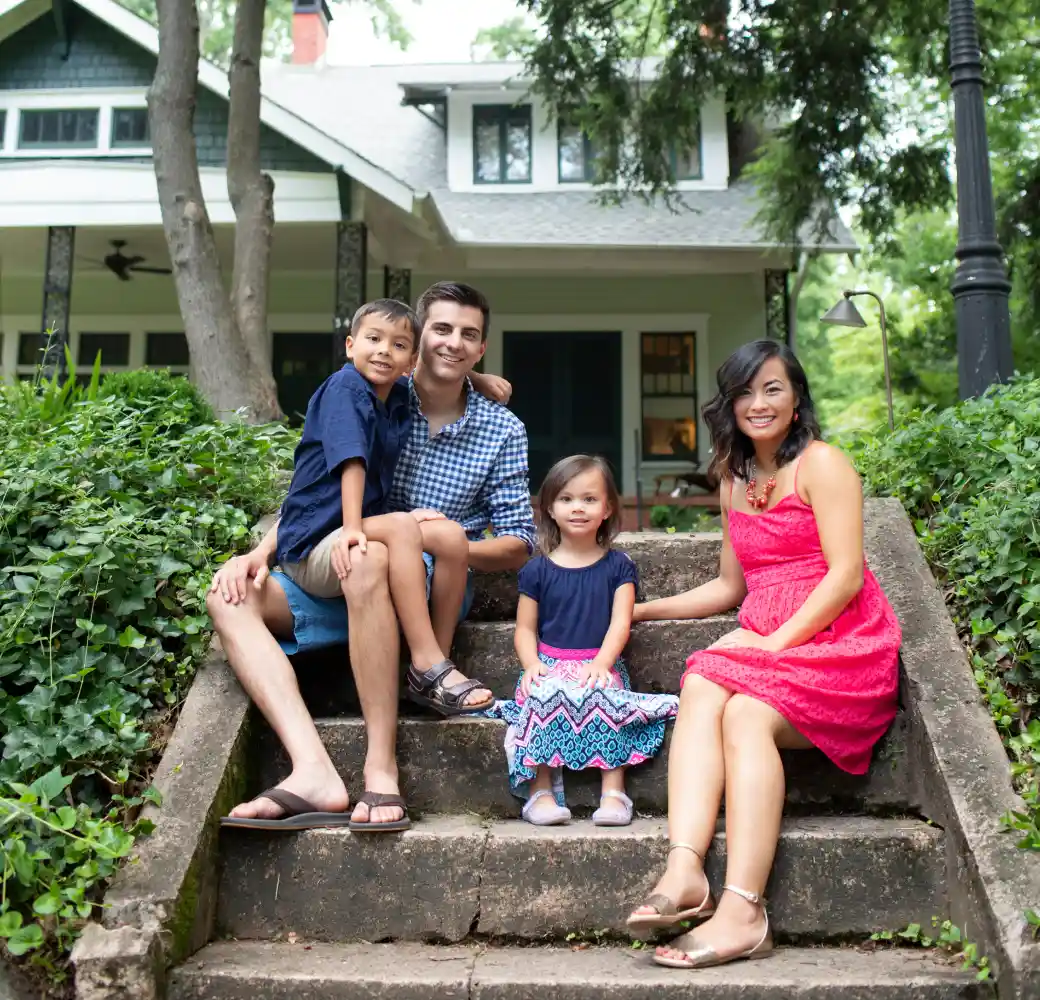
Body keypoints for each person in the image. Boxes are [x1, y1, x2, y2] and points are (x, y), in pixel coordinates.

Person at [208, 281, 535, 832]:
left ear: (481, 348)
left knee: (372, 557)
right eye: (441, 330)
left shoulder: (500, 429)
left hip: (418, 581)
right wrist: (261, 550)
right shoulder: (377, 390)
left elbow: (520, 542)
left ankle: (381, 768)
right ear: (418, 342)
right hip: (341, 556)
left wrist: (443, 537)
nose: (453, 343)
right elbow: (323, 485)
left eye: (469, 336)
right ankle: (313, 771)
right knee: (229, 597)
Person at [626, 340, 900, 969]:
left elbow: (847, 576)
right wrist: (641, 610)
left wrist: (776, 642)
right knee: (700, 682)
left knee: (746, 714)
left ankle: (745, 911)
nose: (759, 403)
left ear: (797, 398)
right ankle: (686, 870)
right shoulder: (734, 477)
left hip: (841, 641)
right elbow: (730, 587)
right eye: (745, 391)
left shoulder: (823, 465)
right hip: (770, 638)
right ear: (730, 404)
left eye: (773, 388)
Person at [487, 455, 679, 826]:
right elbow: (525, 629)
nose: (578, 507)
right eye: (567, 499)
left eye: (590, 499)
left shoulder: (618, 565)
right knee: (541, 696)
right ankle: (539, 791)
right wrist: (532, 666)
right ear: (549, 508)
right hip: (549, 663)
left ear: (607, 509)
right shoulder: (536, 570)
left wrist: (602, 664)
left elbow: (620, 624)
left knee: (606, 697)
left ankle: (613, 791)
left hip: (599, 661)